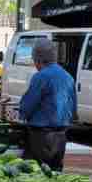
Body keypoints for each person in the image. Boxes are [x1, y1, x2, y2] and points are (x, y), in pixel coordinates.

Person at [19, 37, 76, 171]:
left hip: (41, 136)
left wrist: (21, 114)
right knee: (55, 171)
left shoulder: (41, 77)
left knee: (37, 172)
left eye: (34, 61)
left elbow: (27, 105)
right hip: (61, 135)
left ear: (38, 60)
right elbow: (73, 108)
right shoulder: (68, 76)